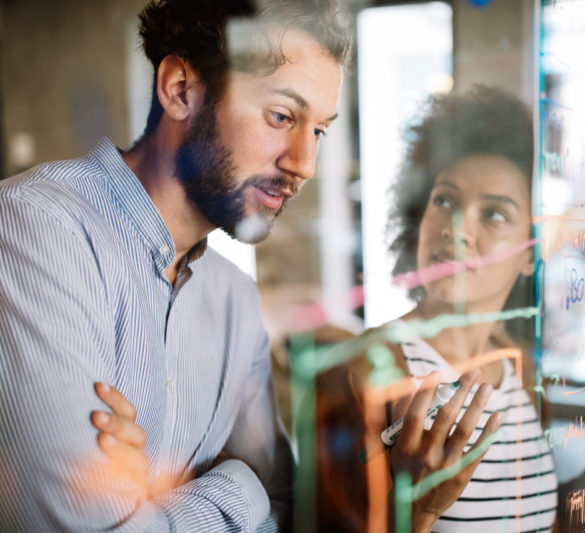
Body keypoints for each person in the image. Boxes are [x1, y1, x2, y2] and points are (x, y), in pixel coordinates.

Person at [0, 0, 351, 531]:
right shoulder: (35, 228)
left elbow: (283, 505)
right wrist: (236, 486)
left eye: (319, 130)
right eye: (281, 116)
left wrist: (151, 503)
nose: (304, 163)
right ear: (181, 90)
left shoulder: (233, 295)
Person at [314, 86, 585, 532]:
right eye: (444, 200)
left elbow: (547, 522)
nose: (457, 229)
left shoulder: (521, 369)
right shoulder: (364, 371)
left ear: (528, 256)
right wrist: (419, 512)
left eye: (494, 214)